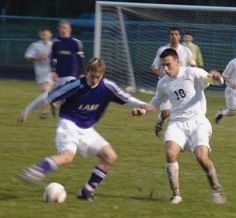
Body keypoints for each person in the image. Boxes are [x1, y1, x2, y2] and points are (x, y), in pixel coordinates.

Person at [19, 57, 147, 201]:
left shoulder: (107, 87)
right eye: (92, 76)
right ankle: (36, 171)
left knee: (110, 156)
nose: (94, 80)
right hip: (68, 125)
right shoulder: (75, 86)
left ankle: (86, 191)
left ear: (102, 75)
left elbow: (128, 99)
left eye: (98, 77)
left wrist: (146, 106)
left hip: (86, 129)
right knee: (67, 156)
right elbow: (48, 96)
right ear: (87, 72)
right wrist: (27, 109)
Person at [133, 48, 225, 204]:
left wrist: (217, 77)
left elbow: (213, 80)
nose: (165, 69)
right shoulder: (163, 83)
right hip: (177, 123)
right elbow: (155, 102)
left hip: (198, 122)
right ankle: (176, 194)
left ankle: (216, 188)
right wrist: (143, 110)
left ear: (178, 61)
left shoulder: (192, 73)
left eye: (168, 65)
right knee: (170, 153)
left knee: (202, 158)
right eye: (163, 66)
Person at [17, 20, 85, 123]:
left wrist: (82, 73)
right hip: (59, 77)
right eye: (61, 28)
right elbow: (53, 58)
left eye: (65, 28)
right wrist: (53, 71)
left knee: (56, 97)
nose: (63, 30)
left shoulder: (76, 43)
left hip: (72, 76)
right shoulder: (56, 42)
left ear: (70, 29)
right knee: (51, 96)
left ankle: (30, 110)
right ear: (59, 29)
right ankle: (28, 110)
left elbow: (81, 60)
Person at [151, 26, 196, 137]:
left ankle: (181, 136)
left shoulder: (186, 51)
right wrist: (164, 77)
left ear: (180, 36)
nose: (174, 36)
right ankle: (159, 123)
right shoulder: (162, 50)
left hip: (182, 87)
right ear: (169, 36)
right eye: (171, 34)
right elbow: (154, 67)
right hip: (167, 86)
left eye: (176, 34)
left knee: (181, 111)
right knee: (166, 113)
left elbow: (193, 65)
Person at [24, 27, 53, 118]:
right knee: (46, 92)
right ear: (40, 35)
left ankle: (45, 111)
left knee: (46, 90)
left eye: (46, 34)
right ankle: (50, 105)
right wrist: (38, 57)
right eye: (43, 34)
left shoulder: (54, 45)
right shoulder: (35, 45)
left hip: (51, 71)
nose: (44, 36)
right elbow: (27, 57)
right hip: (40, 72)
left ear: (50, 35)